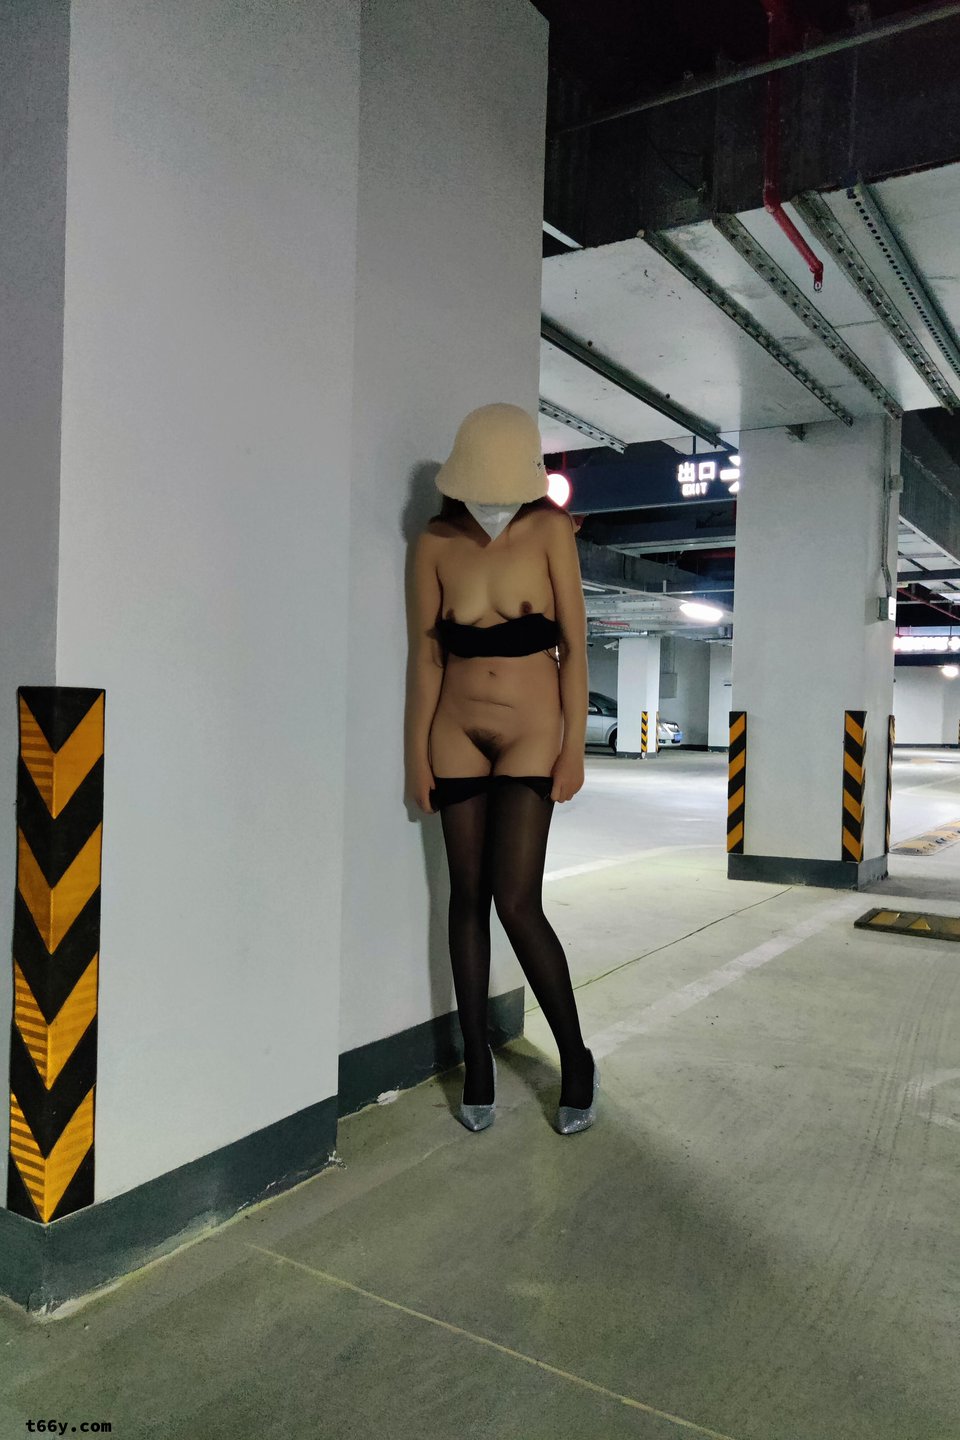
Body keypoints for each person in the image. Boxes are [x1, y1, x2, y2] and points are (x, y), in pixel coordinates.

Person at [404, 403, 599, 1136]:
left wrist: (574, 746)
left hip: (531, 731)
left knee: (516, 901)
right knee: (465, 897)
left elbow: (574, 647)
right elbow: (426, 657)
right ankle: (477, 1060)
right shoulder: (434, 541)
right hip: (455, 729)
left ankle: (575, 1056)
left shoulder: (549, 529)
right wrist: (414, 754)